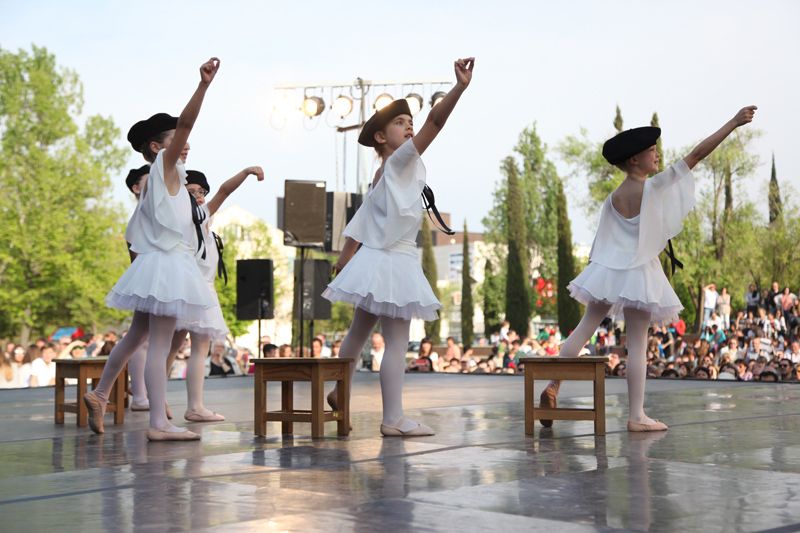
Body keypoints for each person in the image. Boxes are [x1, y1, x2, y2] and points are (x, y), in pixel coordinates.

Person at [540, 105, 757, 432]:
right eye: (651, 152)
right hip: (639, 273)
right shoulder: (652, 188)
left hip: (609, 271)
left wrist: (599, 275)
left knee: (584, 329)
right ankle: (636, 415)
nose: (656, 156)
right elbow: (697, 155)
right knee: (637, 343)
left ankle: (554, 384)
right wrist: (733, 123)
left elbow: (602, 241)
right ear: (634, 161)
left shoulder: (612, 198)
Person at [322, 57, 474, 436]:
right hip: (393, 260)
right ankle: (392, 419)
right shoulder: (401, 161)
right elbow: (436, 123)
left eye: (410, 123)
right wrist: (459, 88)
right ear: (380, 137)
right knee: (396, 340)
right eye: (400, 124)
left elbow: (363, 218)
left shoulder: (382, 173)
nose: (410, 128)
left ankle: (338, 392)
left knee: (358, 332)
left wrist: (345, 258)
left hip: (376, 260)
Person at [83, 58, 226, 441]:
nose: (185, 146)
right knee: (159, 343)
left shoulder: (163, 183)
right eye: (177, 141)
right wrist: (203, 87)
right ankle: (158, 424)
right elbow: (186, 125)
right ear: (156, 146)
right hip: (166, 266)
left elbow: (132, 234)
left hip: (156, 265)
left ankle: (99, 393)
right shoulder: (164, 167)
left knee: (136, 338)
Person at [164, 166, 264, 423]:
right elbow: (224, 191)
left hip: (203, 291)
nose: (199, 196)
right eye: (192, 191)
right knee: (175, 346)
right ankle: (165, 399)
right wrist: (246, 172)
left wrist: (245, 173)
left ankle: (187, 404)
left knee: (192, 347)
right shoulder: (183, 219)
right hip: (188, 289)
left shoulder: (205, 221)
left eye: (201, 192)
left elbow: (221, 192)